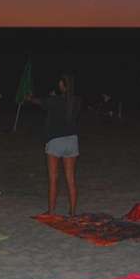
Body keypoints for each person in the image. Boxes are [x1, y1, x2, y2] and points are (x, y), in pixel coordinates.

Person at [26, 74, 82, 215]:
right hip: (72, 140)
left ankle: (51, 211)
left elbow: (38, 102)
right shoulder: (77, 101)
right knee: (71, 179)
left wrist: (30, 97)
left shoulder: (53, 100)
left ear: (62, 86)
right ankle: (73, 211)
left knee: (53, 178)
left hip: (55, 141)